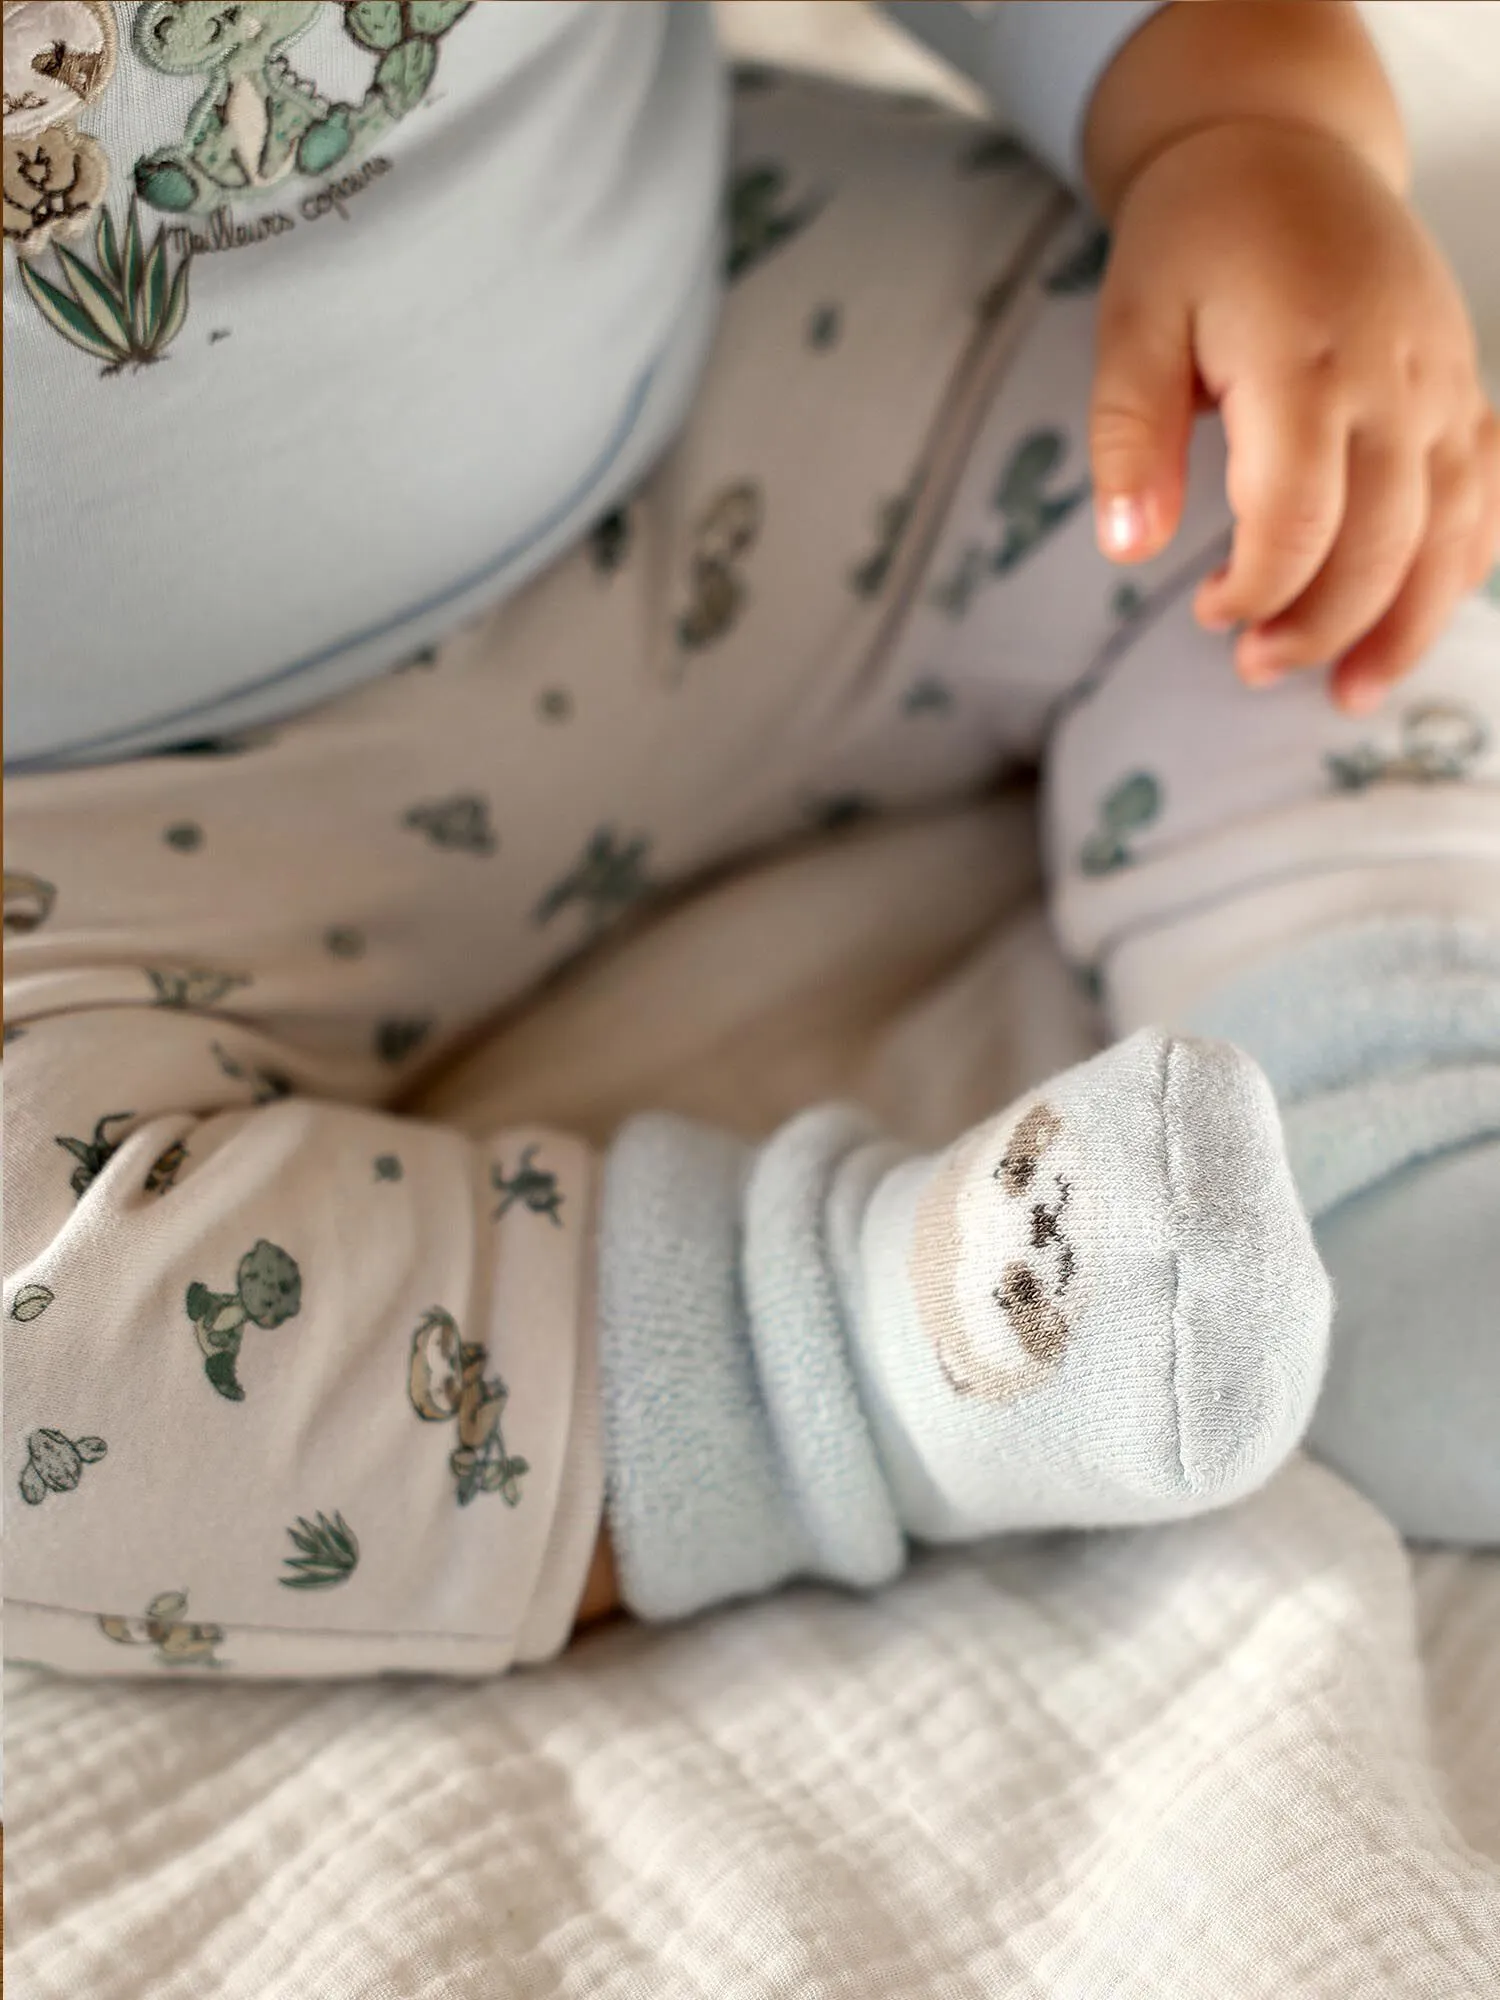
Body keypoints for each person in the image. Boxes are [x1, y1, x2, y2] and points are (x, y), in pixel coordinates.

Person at [4, 0, 1497, 1677]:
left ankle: (1389, 1118)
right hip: (68, 829)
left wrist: (1246, 132)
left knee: (1268, 442)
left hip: (704, 397)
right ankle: (899, 1357)